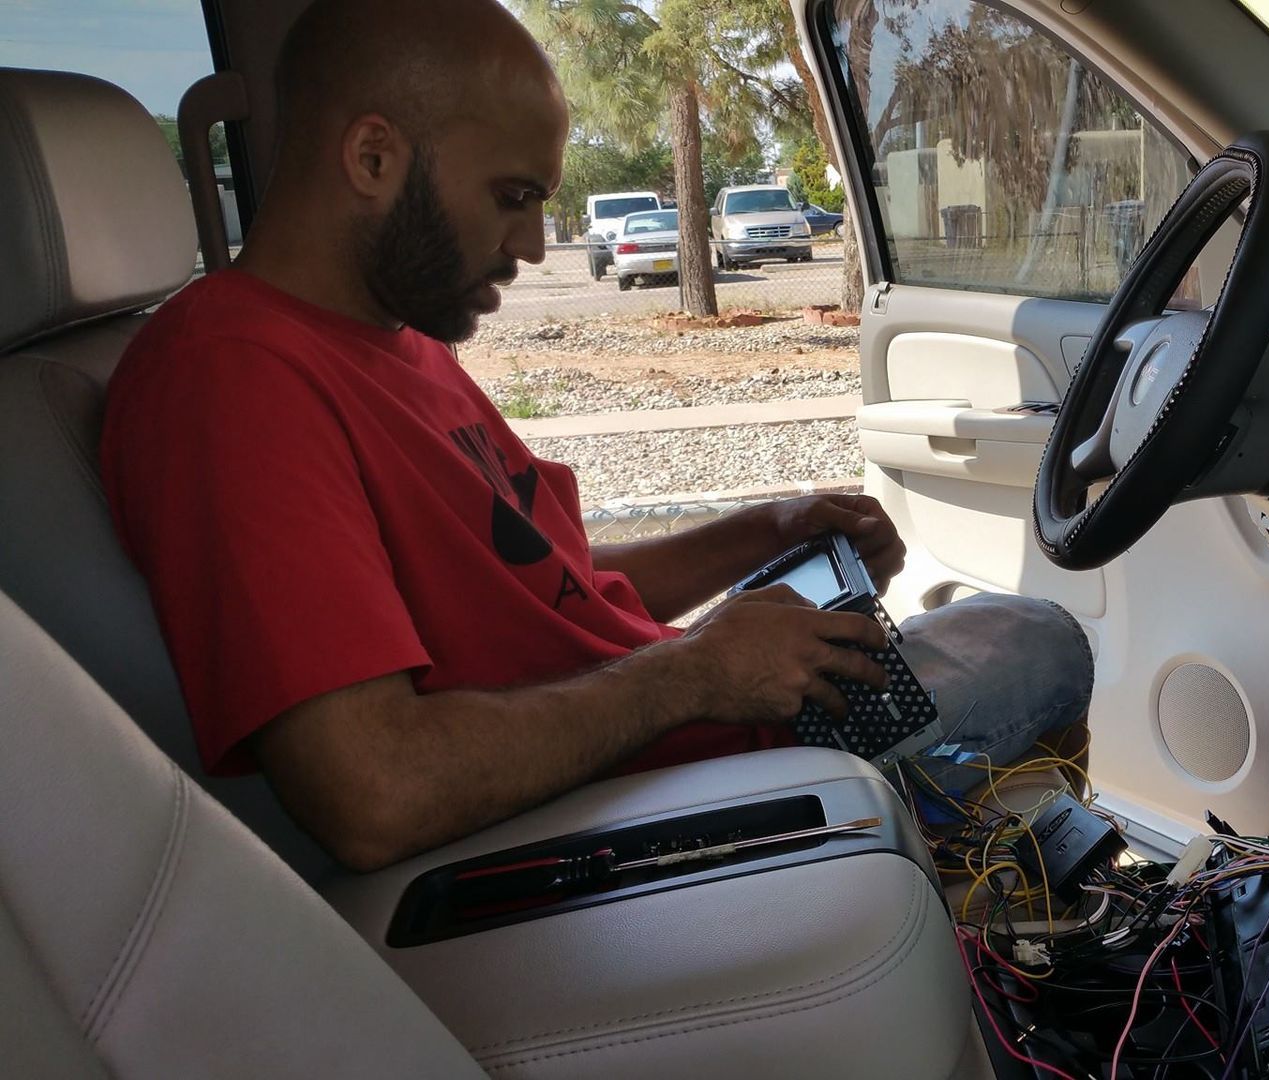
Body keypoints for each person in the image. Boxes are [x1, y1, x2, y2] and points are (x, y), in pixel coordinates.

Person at [100, 0, 1090, 872]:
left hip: (670, 737)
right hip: (626, 810)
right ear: (371, 158)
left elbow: (551, 585)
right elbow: (374, 791)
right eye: (513, 196)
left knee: (985, 646)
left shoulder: (393, 341)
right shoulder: (231, 376)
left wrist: (765, 529)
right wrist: (696, 672)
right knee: (1043, 640)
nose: (536, 246)